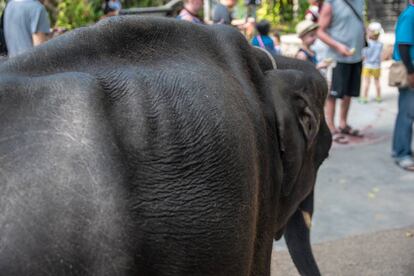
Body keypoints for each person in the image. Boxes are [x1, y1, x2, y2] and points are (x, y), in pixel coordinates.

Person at [317, 0, 365, 143]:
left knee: (349, 92)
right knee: (333, 93)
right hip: (336, 57)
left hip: (356, 56)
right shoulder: (331, 3)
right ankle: (331, 128)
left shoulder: (360, 2)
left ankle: (343, 123)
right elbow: (319, 30)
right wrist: (338, 46)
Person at [392, 0, 414, 171]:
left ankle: (400, 149)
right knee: (407, 114)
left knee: (407, 113)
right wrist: (411, 72)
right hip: (409, 69)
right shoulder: (410, 14)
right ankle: (402, 154)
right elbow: (404, 45)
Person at [360, 22, 384, 104]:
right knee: (377, 82)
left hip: (367, 65)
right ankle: (378, 97)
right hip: (376, 66)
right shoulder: (380, 44)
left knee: (366, 82)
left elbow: (363, 55)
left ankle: (364, 98)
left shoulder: (367, 44)